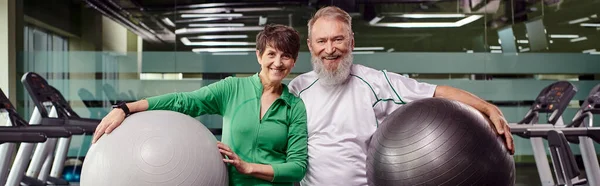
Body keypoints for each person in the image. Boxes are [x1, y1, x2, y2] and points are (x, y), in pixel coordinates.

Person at [287, 6, 515, 186]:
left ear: (352, 42)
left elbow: (436, 92)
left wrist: (488, 108)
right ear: (310, 45)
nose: (330, 49)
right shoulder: (298, 89)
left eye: (338, 39)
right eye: (322, 41)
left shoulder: (375, 83)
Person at [91, 24, 308, 186]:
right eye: (271, 54)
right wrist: (126, 108)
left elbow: (297, 168)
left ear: (294, 61)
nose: (278, 63)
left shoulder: (295, 106)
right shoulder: (233, 89)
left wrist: (248, 167)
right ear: (259, 56)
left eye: (286, 56)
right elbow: (184, 102)